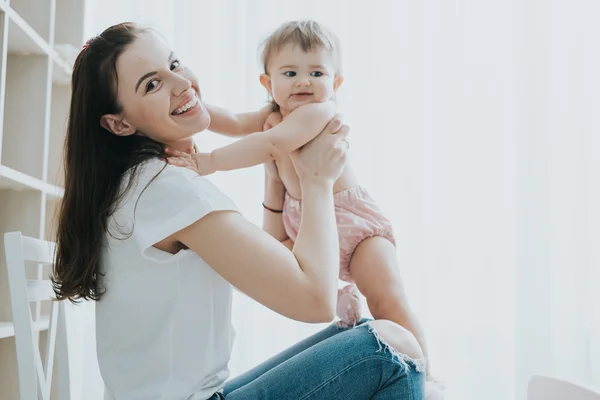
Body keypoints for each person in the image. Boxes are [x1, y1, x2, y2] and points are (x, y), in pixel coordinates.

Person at [52, 22, 425, 399]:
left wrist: (274, 178)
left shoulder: (141, 184)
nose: (181, 84)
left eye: (175, 64)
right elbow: (315, 300)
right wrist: (317, 181)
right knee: (396, 347)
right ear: (119, 123)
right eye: (152, 84)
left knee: (357, 330)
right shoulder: (167, 189)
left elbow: (278, 263)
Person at [168, 19, 433, 379]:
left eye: (317, 73)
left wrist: (208, 162)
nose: (304, 82)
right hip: (305, 221)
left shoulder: (317, 113)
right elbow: (230, 120)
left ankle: (425, 375)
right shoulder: (271, 114)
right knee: (287, 268)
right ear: (268, 82)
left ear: (336, 83)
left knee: (388, 300)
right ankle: (343, 294)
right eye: (290, 73)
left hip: (356, 227)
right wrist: (191, 107)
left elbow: (272, 144)